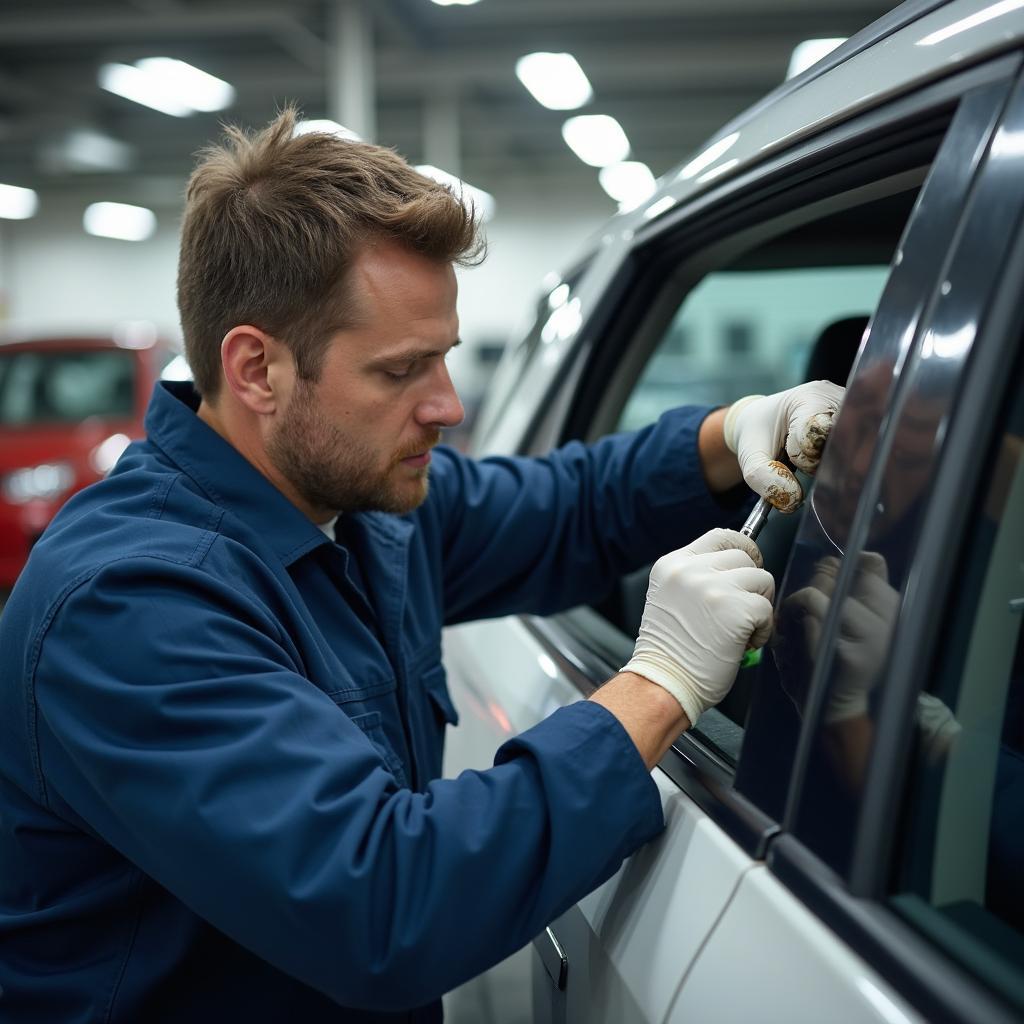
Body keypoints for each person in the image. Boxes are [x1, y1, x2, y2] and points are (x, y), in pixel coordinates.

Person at [0, 108, 843, 1022]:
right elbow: (383, 906)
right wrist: (661, 682)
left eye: (443, 358)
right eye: (401, 371)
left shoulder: (354, 506)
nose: (446, 405)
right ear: (257, 371)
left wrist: (738, 433)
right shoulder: (132, 604)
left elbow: (570, 504)